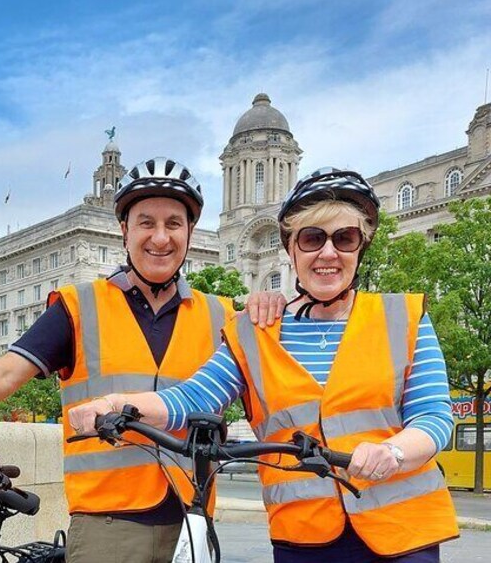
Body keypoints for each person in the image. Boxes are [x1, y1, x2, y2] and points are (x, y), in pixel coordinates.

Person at [0, 156, 286, 563]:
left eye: (173, 224)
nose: (160, 237)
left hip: (193, 520)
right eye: (146, 222)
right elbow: (4, 374)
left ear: (190, 232)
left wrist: (274, 301)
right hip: (107, 525)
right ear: (124, 230)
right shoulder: (79, 307)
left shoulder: (223, 315)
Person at [70, 167, 459, 563]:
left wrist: (392, 452)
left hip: (403, 535)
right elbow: (192, 398)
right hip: (303, 537)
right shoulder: (255, 333)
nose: (328, 253)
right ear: (291, 250)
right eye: (312, 239)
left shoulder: (403, 317)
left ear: (361, 247)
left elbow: (433, 418)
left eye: (344, 238)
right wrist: (115, 403)